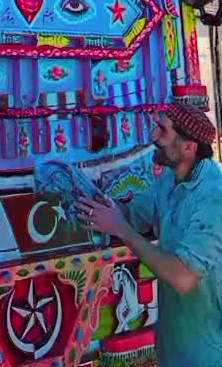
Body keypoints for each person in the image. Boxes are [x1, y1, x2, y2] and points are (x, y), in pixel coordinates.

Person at [77, 101, 222, 366]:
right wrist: (102, 206)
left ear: (188, 148)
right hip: (174, 347)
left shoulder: (213, 198)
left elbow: (183, 277)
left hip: (209, 353)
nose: (153, 136)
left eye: (162, 130)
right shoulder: (170, 178)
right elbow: (134, 215)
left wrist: (120, 229)